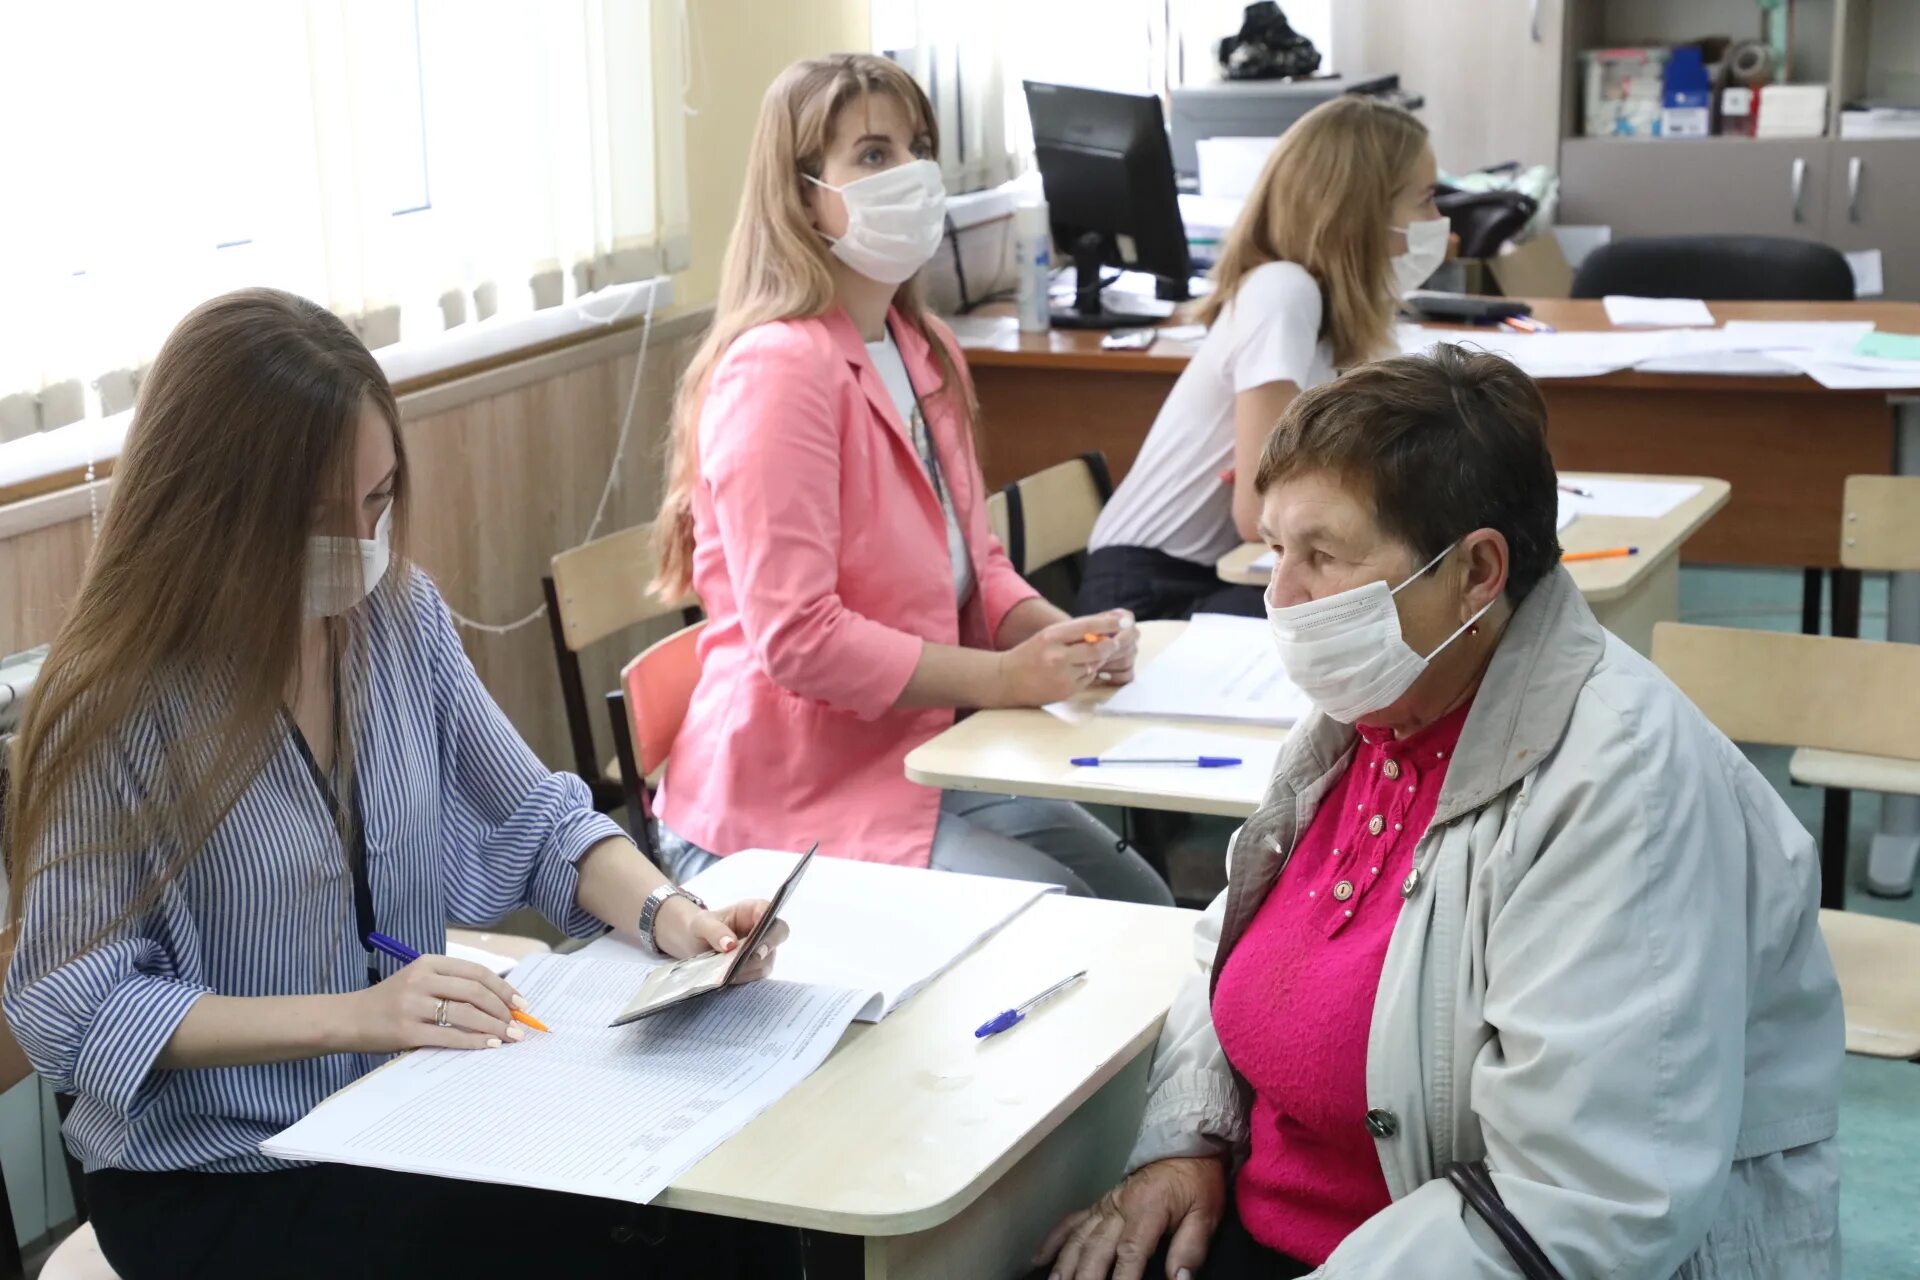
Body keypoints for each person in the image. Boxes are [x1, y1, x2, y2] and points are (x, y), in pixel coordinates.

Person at [2, 289, 796, 1280]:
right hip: (220, 1177)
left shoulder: (397, 617)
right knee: (606, 1238)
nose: (361, 542)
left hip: (406, 1112)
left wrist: (674, 918)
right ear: (211, 505)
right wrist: (364, 1011)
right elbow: (72, 1010)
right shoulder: (115, 701)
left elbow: (542, 820)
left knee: (710, 1197)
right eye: (319, 515)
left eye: (377, 501)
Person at [1037, 346, 1843, 1279]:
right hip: (1288, 1232)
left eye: (1322, 556)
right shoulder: (1373, 711)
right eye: (1273, 551)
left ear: (1477, 571)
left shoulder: (1622, 785)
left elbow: (1580, 1210)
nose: (1280, 597)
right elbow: (1236, 936)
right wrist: (1187, 1141)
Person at [648, 54, 1170, 906]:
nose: (914, 174)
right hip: (778, 809)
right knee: (1070, 926)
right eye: (874, 154)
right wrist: (1004, 680)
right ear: (804, 191)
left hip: (917, 763)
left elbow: (980, 568)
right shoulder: (778, 370)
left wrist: (1066, 640)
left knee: (1141, 906)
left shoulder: (924, 348)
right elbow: (800, 639)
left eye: (919, 147)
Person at [1078, 97, 1445, 623]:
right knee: (1388, 618)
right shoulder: (1283, 292)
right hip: (1149, 591)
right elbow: (1263, 518)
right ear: (1361, 210)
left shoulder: (1336, 319)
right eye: (1426, 199)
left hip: (1218, 572)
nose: (1439, 223)